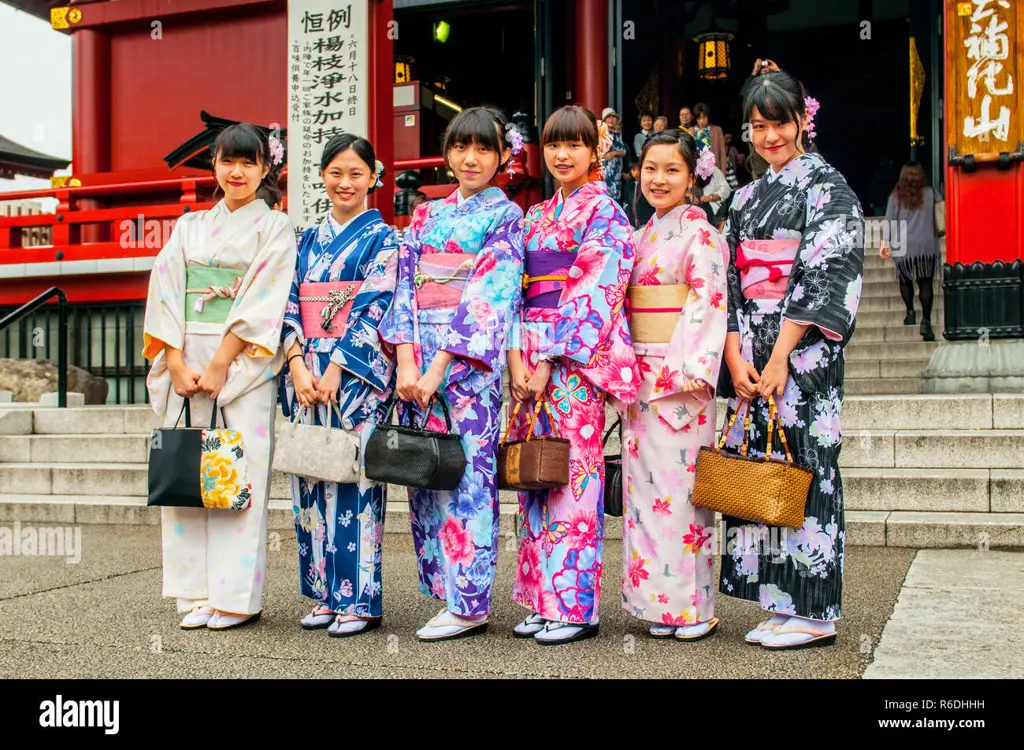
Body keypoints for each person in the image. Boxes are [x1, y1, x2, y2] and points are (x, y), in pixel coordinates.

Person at [719, 70, 863, 650]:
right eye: (758, 126)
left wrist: (781, 354)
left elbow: (829, 271)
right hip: (752, 348)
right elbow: (728, 283)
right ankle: (780, 601)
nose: (769, 136)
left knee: (808, 464)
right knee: (764, 467)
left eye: (779, 123)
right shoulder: (745, 199)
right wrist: (735, 356)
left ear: (804, 119)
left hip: (802, 353)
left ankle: (816, 609)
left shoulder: (830, 187)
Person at [377, 106, 525, 642]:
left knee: (467, 478)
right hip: (420, 367)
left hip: (467, 370)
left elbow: (491, 296)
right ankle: (445, 592)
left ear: (502, 156)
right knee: (427, 474)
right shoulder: (425, 216)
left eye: (484, 149)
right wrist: (409, 361)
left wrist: (440, 363)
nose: (470, 158)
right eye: (461, 147)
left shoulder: (506, 217)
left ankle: (470, 603)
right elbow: (405, 286)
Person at [142, 122, 297, 630]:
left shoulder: (274, 227)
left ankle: (234, 597)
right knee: (191, 473)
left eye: (248, 162)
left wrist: (221, 361)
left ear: (265, 169)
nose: (237, 172)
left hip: (241, 362)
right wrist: (178, 361)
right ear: (214, 166)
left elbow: (263, 300)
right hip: (185, 359)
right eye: (227, 161)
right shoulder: (188, 227)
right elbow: (164, 292)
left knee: (238, 478)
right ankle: (195, 592)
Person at [507, 105, 641, 645]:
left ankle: (575, 606)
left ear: (595, 152)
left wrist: (544, 360)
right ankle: (543, 598)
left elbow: (593, 290)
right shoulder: (534, 216)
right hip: (529, 355)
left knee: (574, 478)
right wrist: (517, 355)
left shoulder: (605, 213)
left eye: (575, 145)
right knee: (535, 475)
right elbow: (512, 288)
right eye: (554, 145)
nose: (563, 155)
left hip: (570, 360)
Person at [279, 134, 399, 637]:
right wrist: (296, 363)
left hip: (352, 377)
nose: (345, 183)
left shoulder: (385, 239)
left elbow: (377, 306)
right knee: (310, 475)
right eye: (335, 173)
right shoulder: (304, 240)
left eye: (356, 173)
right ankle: (323, 593)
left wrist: (336, 368)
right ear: (322, 177)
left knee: (354, 478)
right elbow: (286, 304)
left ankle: (359, 598)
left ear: (374, 177)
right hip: (305, 372)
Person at [619, 128, 729, 641]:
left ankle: (694, 607)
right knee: (643, 494)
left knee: (684, 496)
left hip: (678, 376)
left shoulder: (701, 234)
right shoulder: (641, 235)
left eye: (672, 170)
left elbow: (707, 304)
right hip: (638, 377)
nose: (658, 179)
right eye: (651, 168)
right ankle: (656, 605)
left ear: (692, 177)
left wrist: (686, 375)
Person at [880, 161, 942, 341]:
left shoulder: (896, 197)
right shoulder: (932, 194)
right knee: (925, 283)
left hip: (903, 245)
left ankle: (910, 312)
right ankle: (926, 321)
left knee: (905, 280)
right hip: (926, 245)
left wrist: (884, 242)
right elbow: (942, 214)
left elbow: (889, 220)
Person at [601, 107, 627, 204]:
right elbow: (600, 153)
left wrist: (614, 153)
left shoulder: (618, 135)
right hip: (605, 172)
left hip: (616, 172)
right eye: (608, 117)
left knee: (616, 201)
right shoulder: (601, 134)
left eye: (613, 117)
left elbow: (624, 151)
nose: (611, 119)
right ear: (604, 120)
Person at [621, 161, 655, 229]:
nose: (636, 172)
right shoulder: (629, 184)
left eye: (638, 169)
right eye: (634, 169)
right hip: (632, 222)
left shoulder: (649, 185)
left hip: (646, 222)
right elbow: (627, 201)